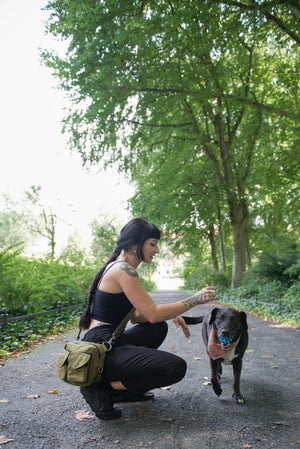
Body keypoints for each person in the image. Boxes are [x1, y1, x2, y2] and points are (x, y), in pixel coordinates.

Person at [78, 218, 216, 420]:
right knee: (175, 367)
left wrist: (172, 314)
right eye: (152, 244)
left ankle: (122, 392)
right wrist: (195, 299)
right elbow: (152, 313)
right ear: (135, 244)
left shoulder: (120, 268)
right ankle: (103, 388)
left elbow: (139, 317)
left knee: (157, 327)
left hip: (107, 342)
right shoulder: (123, 270)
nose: (157, 250)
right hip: (101, 350)